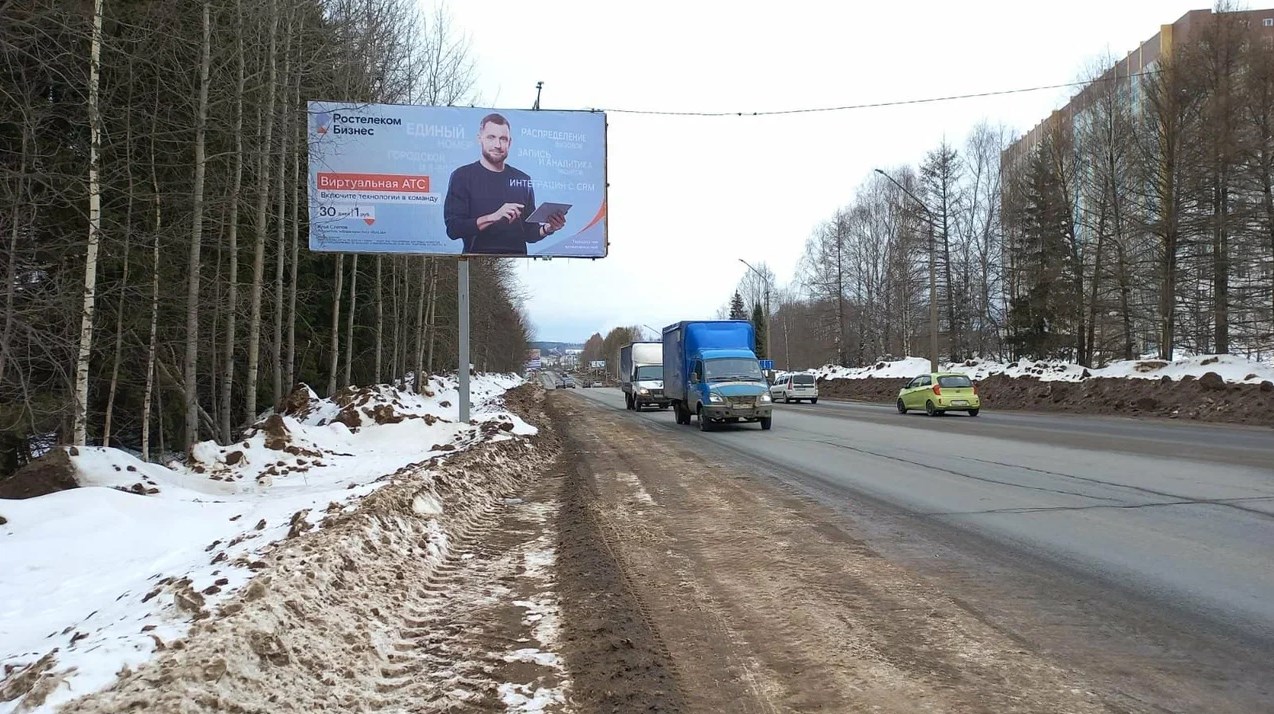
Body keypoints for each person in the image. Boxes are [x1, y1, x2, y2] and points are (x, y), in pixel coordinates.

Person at [443, 113, 567, 255]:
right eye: (491, 137)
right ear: (480, 139)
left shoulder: (523, 179)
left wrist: (548, 228)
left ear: (510, 142)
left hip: (517, 261)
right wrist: (494, 217)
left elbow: (529, 233)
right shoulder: (462, 176)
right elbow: (453, 229)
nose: (497, 145)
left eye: (503, 139)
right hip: (476, 260)